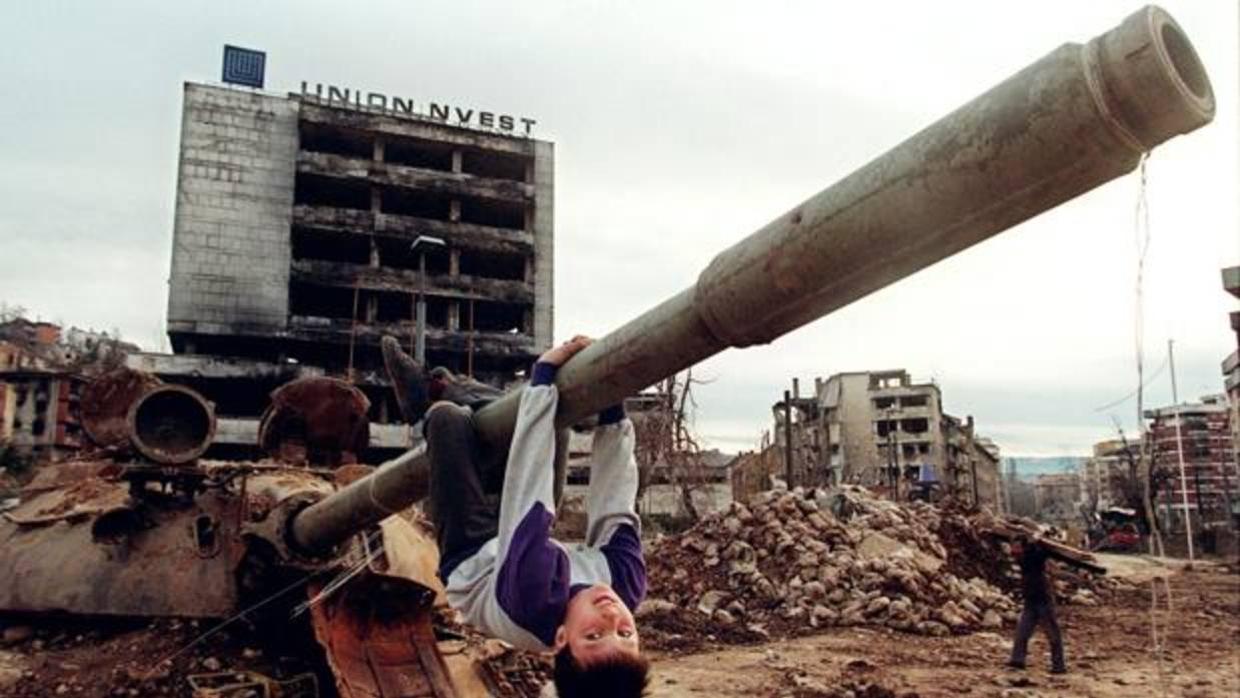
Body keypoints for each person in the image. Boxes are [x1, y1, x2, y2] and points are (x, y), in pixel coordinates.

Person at [382, 336, 650, 698]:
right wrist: (612, 406)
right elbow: (616, 500)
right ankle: (440, 386)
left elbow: (528, 496)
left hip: (473, 553)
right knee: (556, 420)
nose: (612, 617)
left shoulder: (534, 599)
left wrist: (543, 372)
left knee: (450, 422)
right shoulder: (626, 583)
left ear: (560, 639)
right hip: (532, 539)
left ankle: (429, 403)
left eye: (593, 635)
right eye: (626, 634)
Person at [1007, 535, 1067, 674]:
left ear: (1024, 548)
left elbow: (1042, 553)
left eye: (1016, 547)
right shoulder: (1022, 558)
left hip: (1043, 600)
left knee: (1052, 634)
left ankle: (1059, 665)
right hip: (1030, 600)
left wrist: (1036, 544)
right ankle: (1017, 660)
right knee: (1022, 632)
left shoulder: (1034, 557)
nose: (1013, 550)